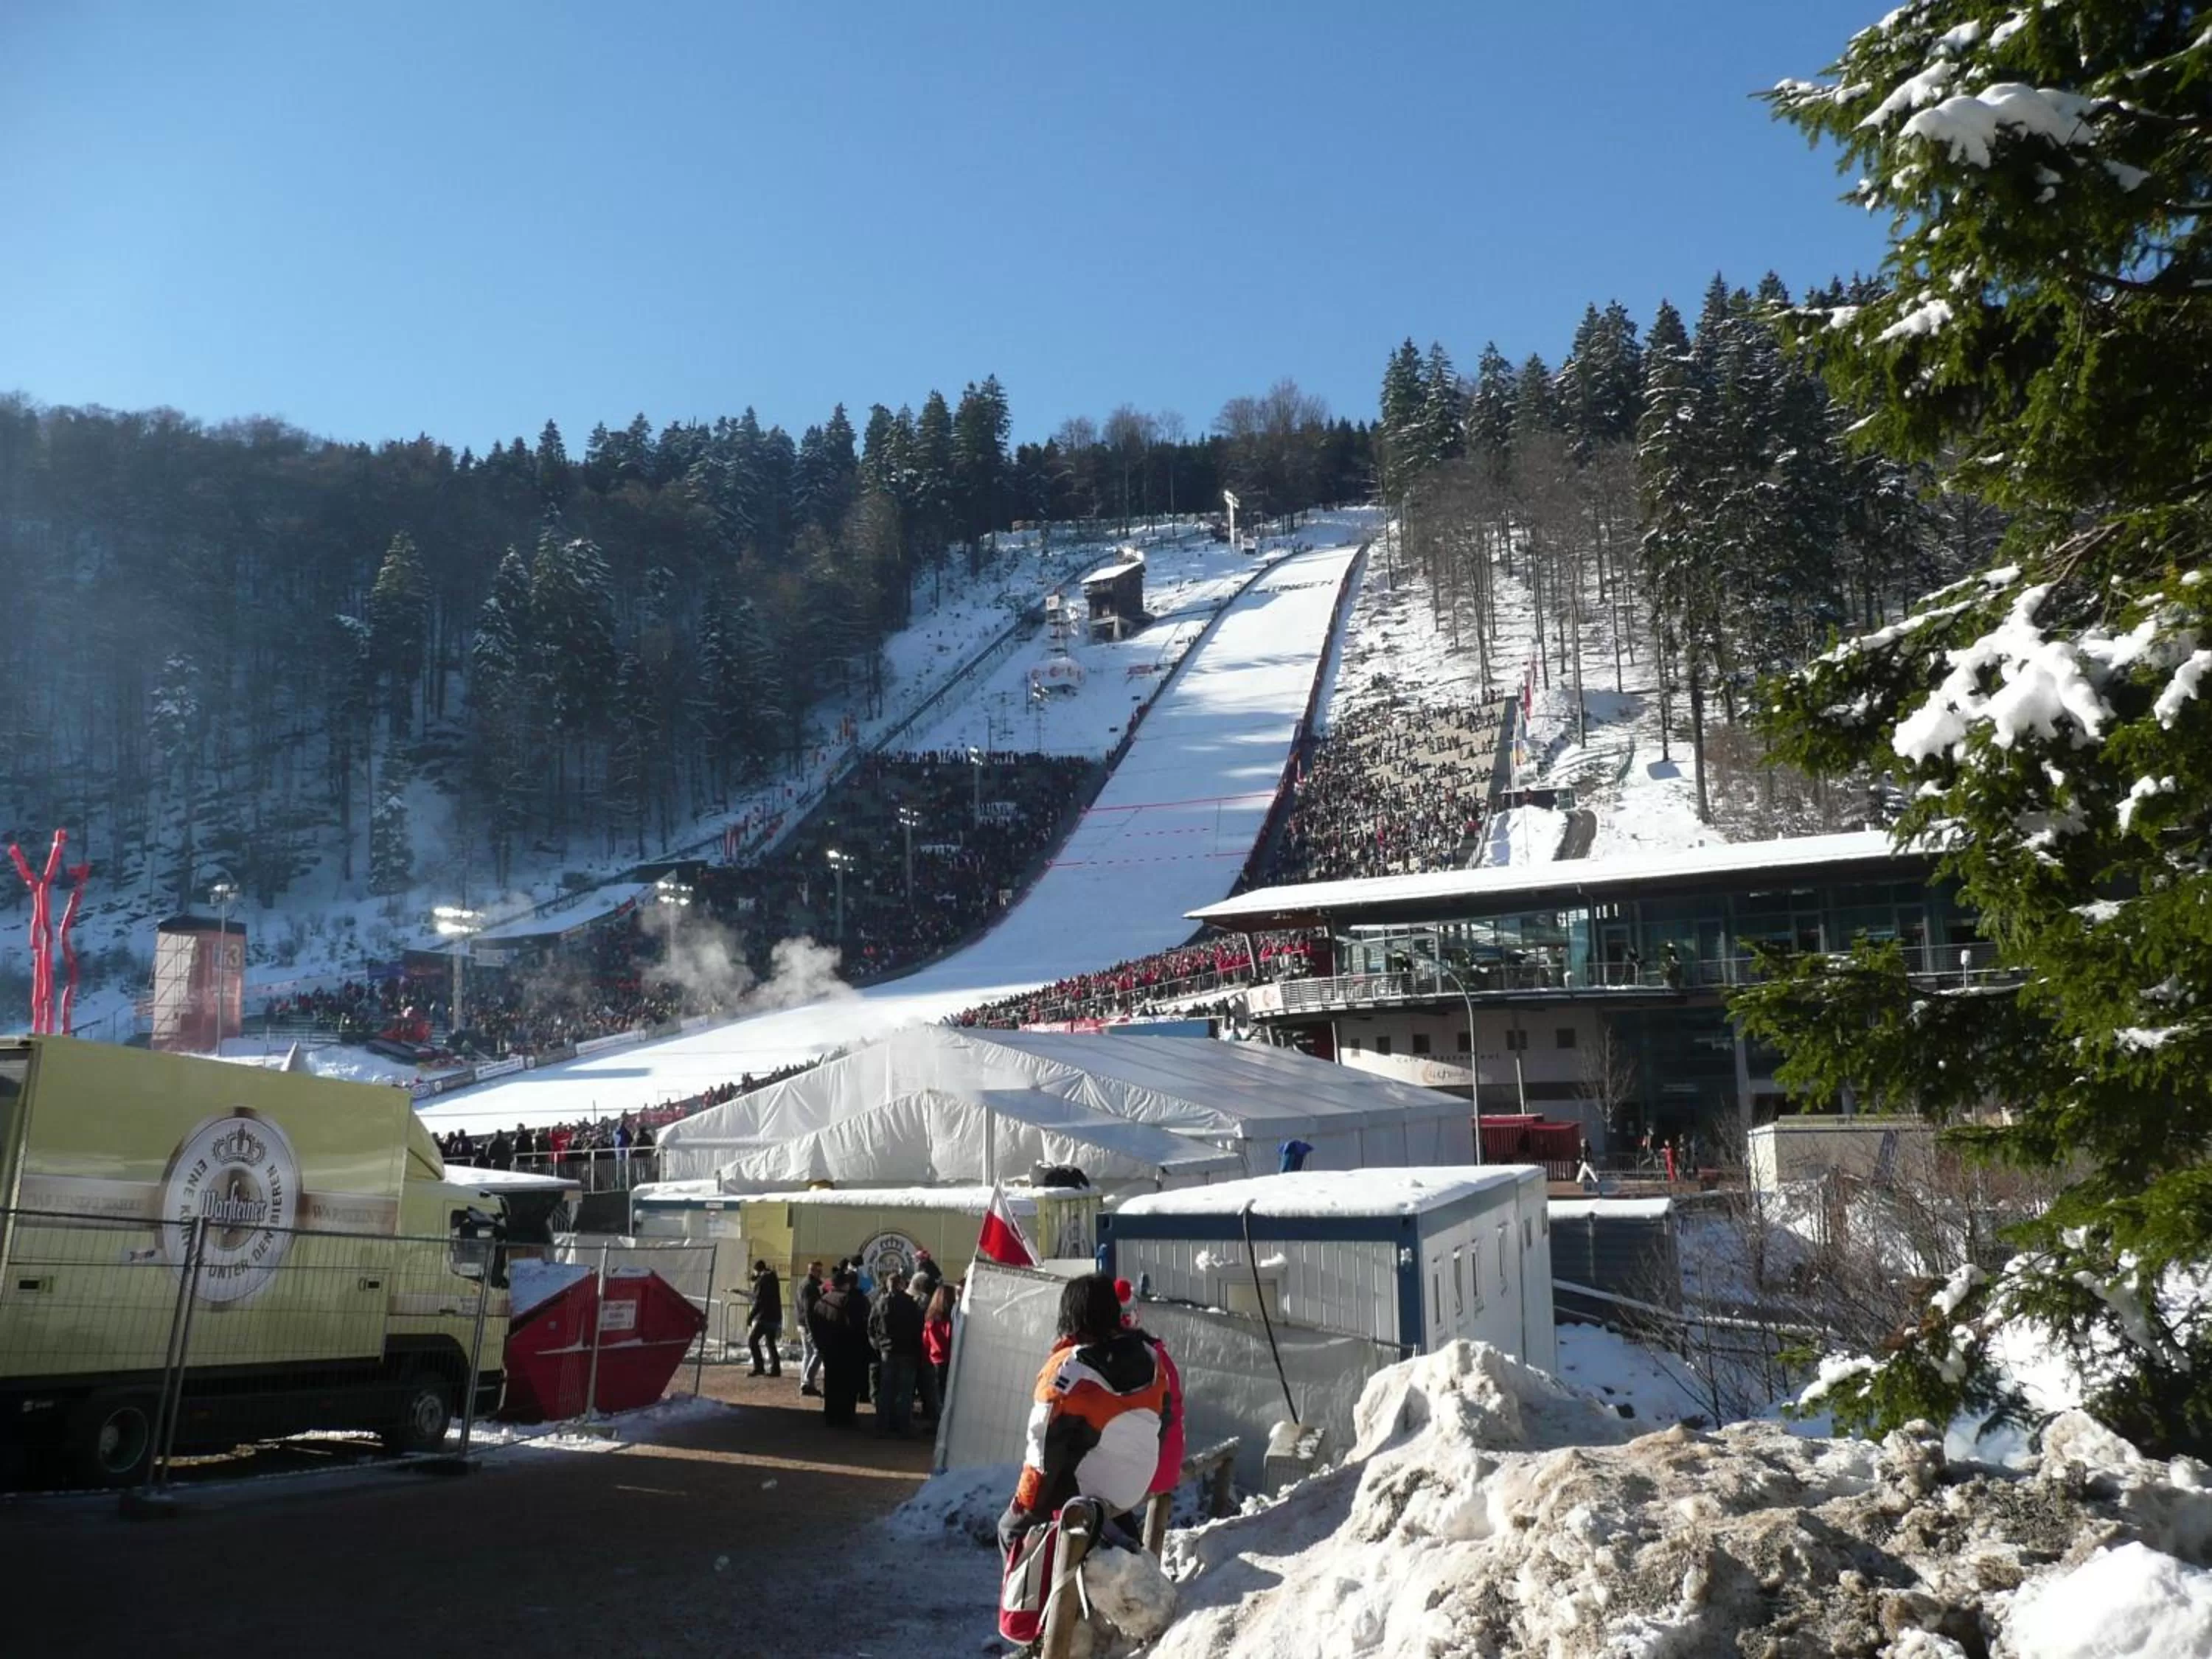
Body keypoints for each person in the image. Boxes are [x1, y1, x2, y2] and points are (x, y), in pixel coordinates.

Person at [998, 1273, 1169, 1552]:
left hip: (1089, 1491)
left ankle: (1037, 1583)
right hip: (1137, 1485)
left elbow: (1043, 1449)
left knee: (1010, 1529)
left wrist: (1024, 1503)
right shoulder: (1150, 1357)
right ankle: (1123, 1548)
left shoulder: (1068, 1371)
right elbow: (1165, 1419)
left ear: (1070, 1315)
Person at [810, 1267, 869, 1427]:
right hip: (847, 1349)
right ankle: (846, 1417)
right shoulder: (847, 1301)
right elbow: (855, 1326)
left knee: (831, 1382)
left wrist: (820, 1344)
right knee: (848, 1385)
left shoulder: (822, 1301)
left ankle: (830, 1415)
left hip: (828, 1348)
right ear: (846, 1284)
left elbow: (814, 1325)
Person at [871, 1270, 924, 1436]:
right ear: (901, 1285)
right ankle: (903, 1425)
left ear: (888, 1285)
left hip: (887, 1350)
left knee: (886, 1389)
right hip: (907, 1351)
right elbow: (919, 1327)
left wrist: (878, 1344)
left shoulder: (880, 1302)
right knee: (905, 1391)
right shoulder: (910, 1303)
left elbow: (871, 1326)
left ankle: (883, 1424)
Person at [919, 1284, 954, 1430]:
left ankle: (937, 1424)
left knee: (936, 1395)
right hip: (950, 1359)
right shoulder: (953, 1319)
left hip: (935, 1359)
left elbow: (926, 1341)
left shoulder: (931, 1319)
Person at [747, 1259, 783, 1378]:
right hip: (775, 1316)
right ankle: (776, 1369)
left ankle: (759, 1367)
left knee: (753, 1341)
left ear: (757, 1270)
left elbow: (759, 1300)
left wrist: (751, 1317)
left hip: (765, 1316)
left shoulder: (763, 1280)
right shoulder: (773, 1278)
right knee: (770, 1343)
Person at [795, 1262, 826, 1397]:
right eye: (819, 1271)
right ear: (812, 1271)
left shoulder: (805, 1284)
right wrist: (812, 1329)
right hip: (809, 1324)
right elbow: (809, 1310)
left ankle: (805, 1383)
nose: (821, 1274)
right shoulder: (810, 1287)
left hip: (802, 1323)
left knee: (808, 1353)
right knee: (818, 1351)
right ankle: (808, 1381)